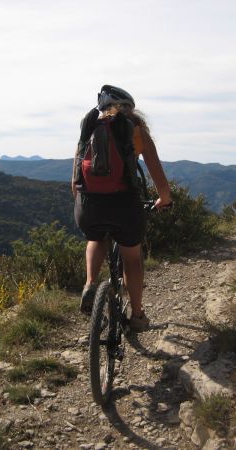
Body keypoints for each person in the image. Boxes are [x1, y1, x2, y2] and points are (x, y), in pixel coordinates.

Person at [72, 85, 172, 332]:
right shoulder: (136, 130)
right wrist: (164, 199)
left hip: (88, 205)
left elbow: (75, 180)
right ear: (129, 108)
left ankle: (90, 283)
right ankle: (137, 316)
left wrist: (82, 202)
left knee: (95, 238)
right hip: (124, 205)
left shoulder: (89, 128)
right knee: (132, 258)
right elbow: (157, 175)